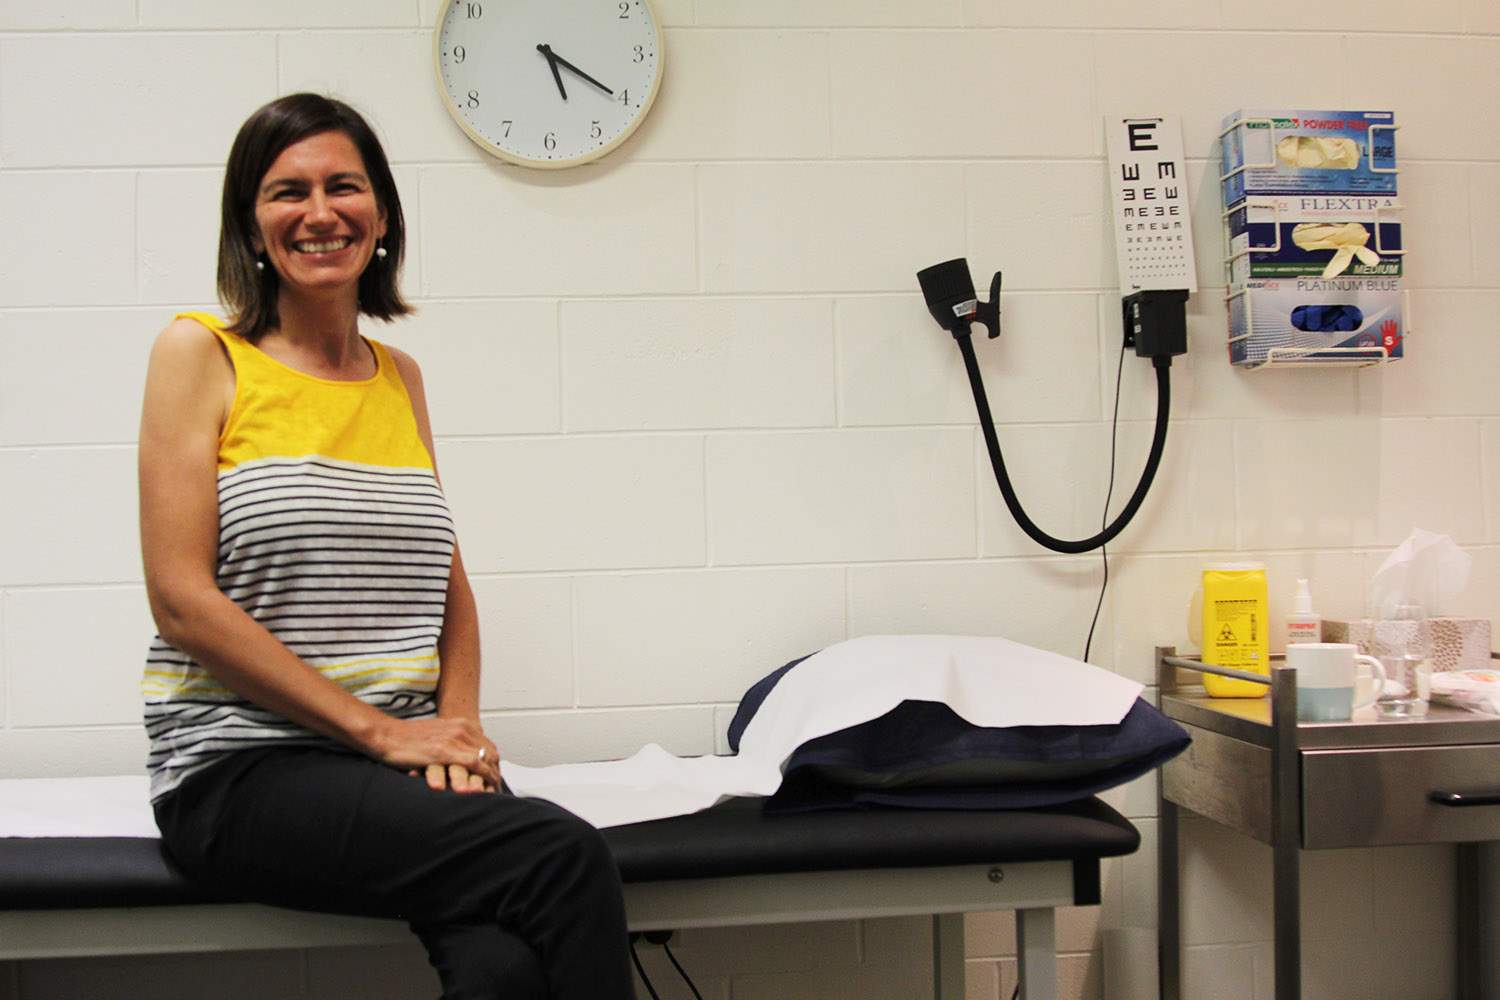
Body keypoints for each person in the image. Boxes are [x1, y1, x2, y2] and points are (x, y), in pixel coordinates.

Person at [137, 92, 634, 1000]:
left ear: (383, 216)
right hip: (242, 766)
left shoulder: (398, 378)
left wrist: (460, 731)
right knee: (560, 856)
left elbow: (448, 584)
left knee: (502, 967)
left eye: (344, 187)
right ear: (251, 223)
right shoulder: (200, 353)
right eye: (288, 192)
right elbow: (180, 600)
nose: (320, 213)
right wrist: (384, 733)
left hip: (393, 758)